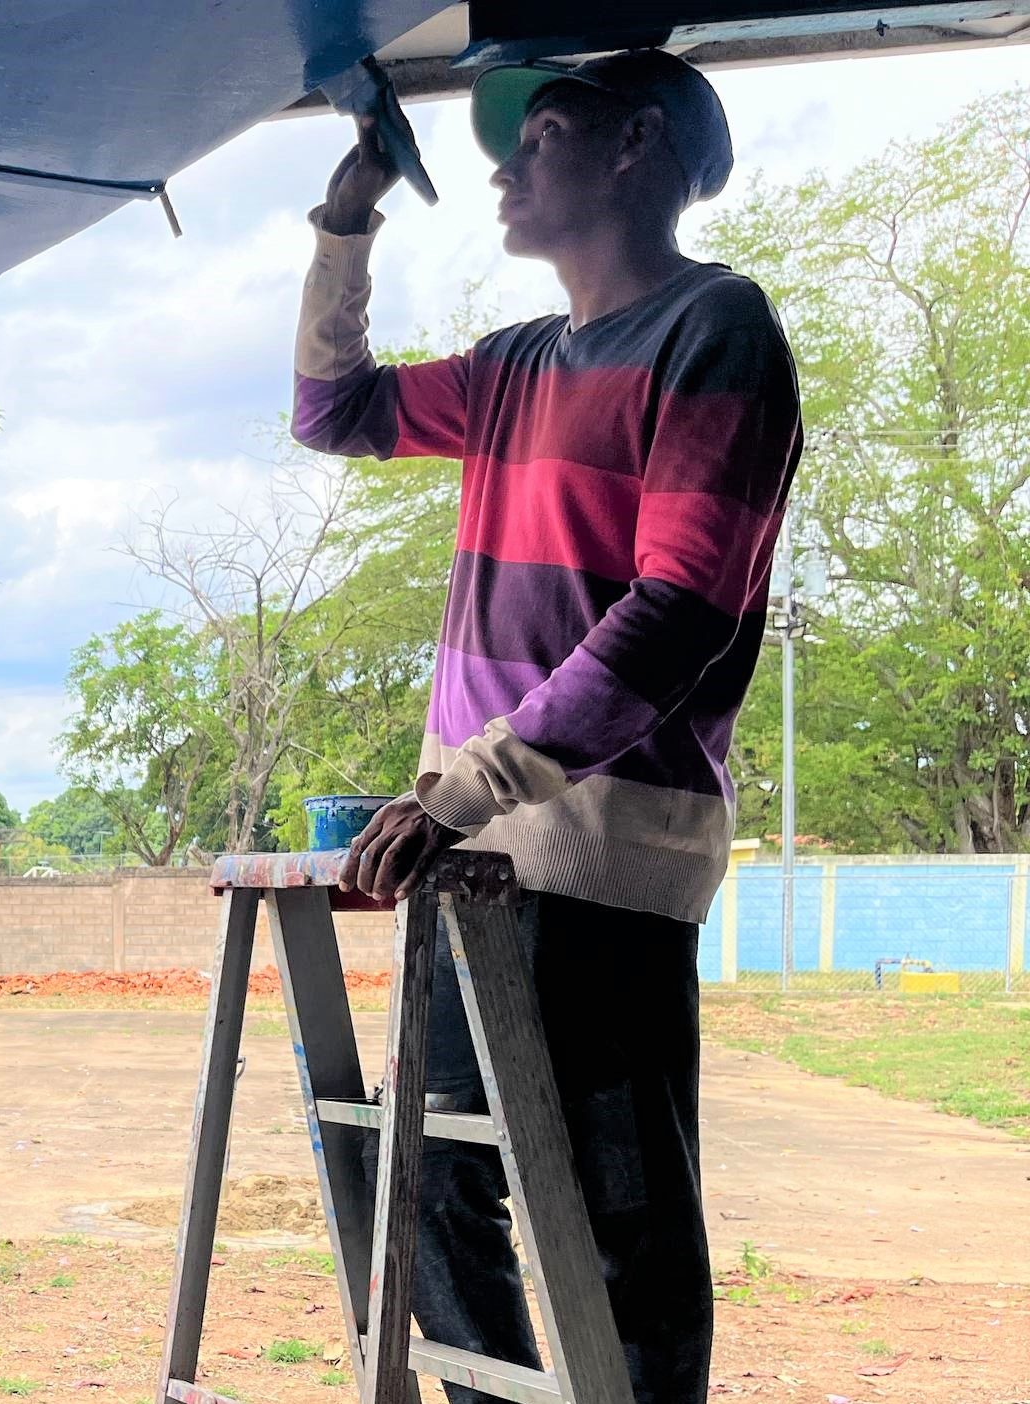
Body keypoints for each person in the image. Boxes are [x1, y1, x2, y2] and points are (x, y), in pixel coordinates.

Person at [292, 49, 801, 1404]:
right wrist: (348, 221)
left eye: (546, 134)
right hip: (470, 849)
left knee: (619, 1215)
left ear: (636, 146)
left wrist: (470, 784)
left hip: (604, 856)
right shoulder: (518, 365)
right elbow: (332, 411)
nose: (509, 166)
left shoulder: (716, 332)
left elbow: (679, 610)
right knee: (439, 1183)